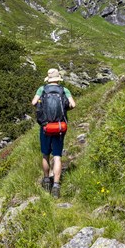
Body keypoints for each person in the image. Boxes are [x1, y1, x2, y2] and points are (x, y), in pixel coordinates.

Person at [32, 68, 76, 198]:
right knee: (57, 156)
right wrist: (65, 107)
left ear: (48, 78)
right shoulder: (64, 90)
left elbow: (34, 102)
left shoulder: (42, 89)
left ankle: (46, 181)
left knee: (45, 154)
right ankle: (56, 185)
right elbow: (73, 104)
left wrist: (42, 106)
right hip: (60, 127)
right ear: (58, 78)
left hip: (46, 126)